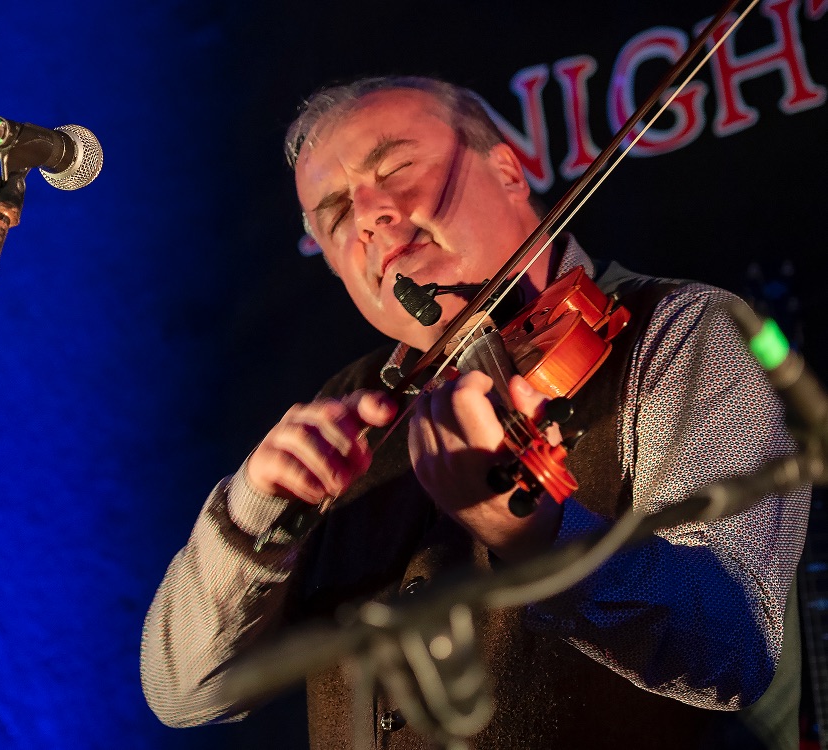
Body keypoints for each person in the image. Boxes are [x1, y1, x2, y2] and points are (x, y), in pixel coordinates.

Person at [140, 76, 809, 749]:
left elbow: (735, 644)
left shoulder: (685, 331)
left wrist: (540, 539)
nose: (369, 214)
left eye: (396, 168)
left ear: (509, 170)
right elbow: (183, 694)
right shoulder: (347, 413)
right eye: (336, 214)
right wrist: (250, 519)